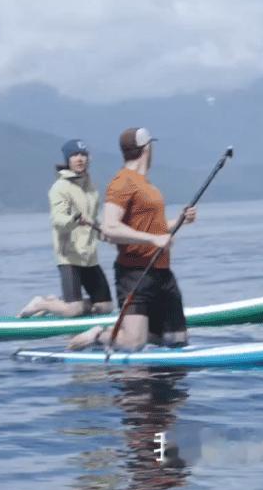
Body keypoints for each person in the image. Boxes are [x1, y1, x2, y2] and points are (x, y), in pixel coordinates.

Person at [65, 127, 196, 351]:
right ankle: (99, 335)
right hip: (135, 274)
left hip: (162, 273)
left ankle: (141, 333)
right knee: (133, 344)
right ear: (147, 149)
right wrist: (152, 241)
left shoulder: (148, 186)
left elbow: (157, 230)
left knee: (177, 341)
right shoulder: (122, 183)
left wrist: (179, 221)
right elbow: (110, 226)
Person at [18, 139, 114, 318]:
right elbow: (58, 220)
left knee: (105, 307)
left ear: (88, 159)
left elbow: (92, 221)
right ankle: (42, 303)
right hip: (69, 256)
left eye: (83, 155)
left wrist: (105, 234)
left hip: (89, 257)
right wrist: (74, 220)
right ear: (68, 159)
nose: (80, 159)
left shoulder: (92, 189)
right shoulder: (60, 188)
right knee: (74, 310)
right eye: (75, 155)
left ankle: (57, 303)